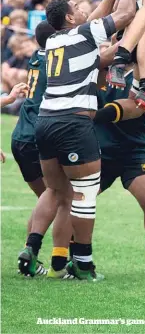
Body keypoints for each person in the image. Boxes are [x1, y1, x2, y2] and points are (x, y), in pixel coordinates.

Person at [19, 0, 136, 281]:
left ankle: (32, 247)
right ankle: (82, 263)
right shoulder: (82, 34)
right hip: (73, 122)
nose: (83, 8)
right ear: (70, 18)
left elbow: (96, 17)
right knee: (85, 192)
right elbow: (125, 13)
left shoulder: (57, 40)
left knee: (56, 192)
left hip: (45, 122)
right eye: (76, 7)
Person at [12, 21, 73, 278]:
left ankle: (30, 257)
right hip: (40, 134)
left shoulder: (37, 58)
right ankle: (61, 263)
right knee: (62, 197)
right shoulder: (56, 61)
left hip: (21, 136)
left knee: (47, 198)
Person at [94, 73, 145, 275]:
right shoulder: (101, 64)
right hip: (101, 148)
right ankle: (76, 255)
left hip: (134, 149)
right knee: (80, 200)